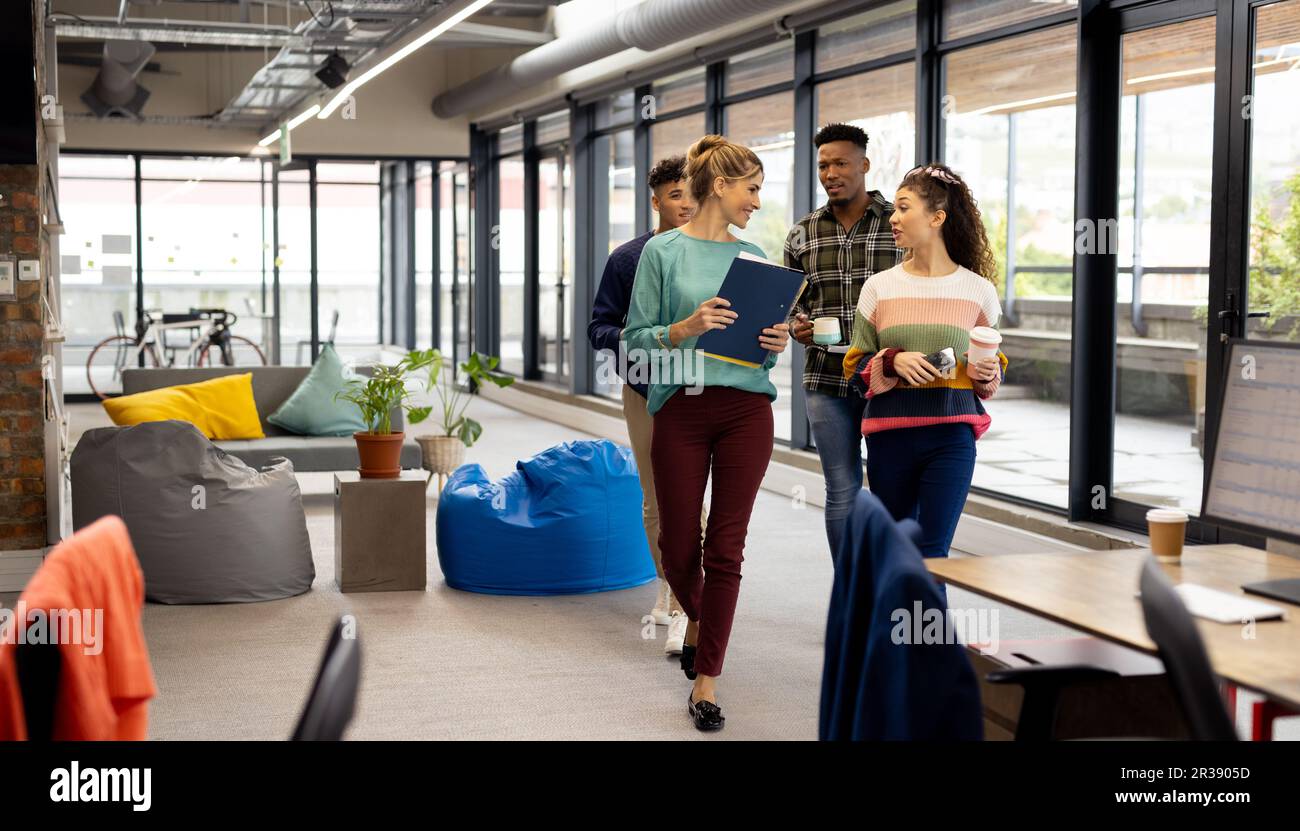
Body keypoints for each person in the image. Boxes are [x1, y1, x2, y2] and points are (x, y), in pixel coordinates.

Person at [622, 134, 790, 732]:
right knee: (675, 546)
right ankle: (696, 619)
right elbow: (634, 343)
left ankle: (707, 680)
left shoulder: (756, 256)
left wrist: (775, 343)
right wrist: (684, 326)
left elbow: (761, 359)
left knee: (726, 545)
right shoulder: (660, 255)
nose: (757, 203)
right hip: (681, 408)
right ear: (721, 185)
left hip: (747, 410)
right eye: (752, 189)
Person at [842, 163, 1007, 561]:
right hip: (890, 438)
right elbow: (854, 369)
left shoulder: (978, 291)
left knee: (933, 556)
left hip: (951, 438)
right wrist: (893, 361)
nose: (893, 218)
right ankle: (893, 626)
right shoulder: (879, 287)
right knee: (898, 553)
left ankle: (924, 627)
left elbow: (989, 366)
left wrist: (989, 371)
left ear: (936, 218)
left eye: (902, 208)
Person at [587, 155, 698, 657]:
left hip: (705, 389)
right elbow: (599, 328)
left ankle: (683, 607)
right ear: (655, 201)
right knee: (656, 499)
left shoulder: (720, 256)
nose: (686, 204)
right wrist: (649, 341)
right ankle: (668, 585)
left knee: (694, 501)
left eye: (693, 194)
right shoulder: (629, 258)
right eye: (675, 195)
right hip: (646, 389)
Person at [785, 123, 902, 559]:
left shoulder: (898, 225)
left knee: (890, 487)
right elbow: (792, 304)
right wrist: (798, 324)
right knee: (841, 487)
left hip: (886, 377)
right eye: (823, 165)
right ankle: (851, 592)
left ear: (864, 165)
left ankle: (887, 587)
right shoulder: (802, 233)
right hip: (824, 377)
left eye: (840, 163)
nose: (830, 172)